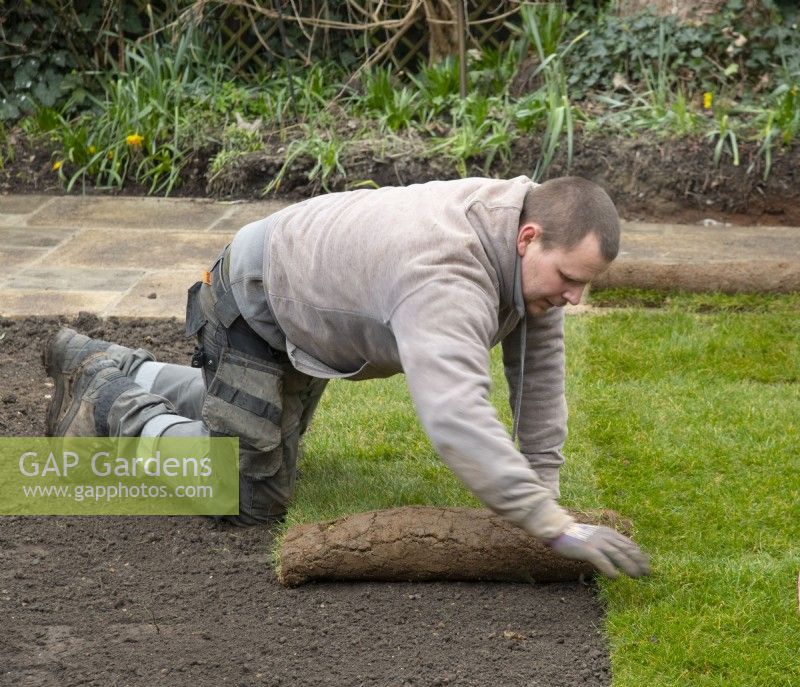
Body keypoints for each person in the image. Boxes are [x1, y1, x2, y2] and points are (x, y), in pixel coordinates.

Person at [43, 175, 649, 579]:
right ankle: (106, 399)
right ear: (528, 238)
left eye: (584, 283)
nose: (575, 297)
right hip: (254, 307)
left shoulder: (525, 251)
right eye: (570, 278)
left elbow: (538, 379)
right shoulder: (448, 272)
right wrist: (552, 528)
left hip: (306, 317)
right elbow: (457, 420)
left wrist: (544, 500)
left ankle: (122, 364)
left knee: (254, 426)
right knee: (247, 492)